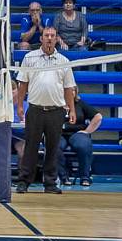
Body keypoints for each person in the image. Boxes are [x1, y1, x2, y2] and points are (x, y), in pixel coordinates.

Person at [14, 26, 77, 194]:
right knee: (30, 148)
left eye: (52, 36)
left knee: (53, 147)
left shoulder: (63, 61)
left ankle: (50, 183)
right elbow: (22, 85)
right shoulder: (29, 58)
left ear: (56, 39)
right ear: (41, 38)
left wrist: (71, 110)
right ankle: (24, 181)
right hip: (35, 109)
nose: (49, 38)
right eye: (46, 35)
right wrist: (20, 106)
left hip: (56, 111)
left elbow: (68, 88)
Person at [59, 91, 100, 187]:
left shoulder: (80, 104)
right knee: (53, 146)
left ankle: (85, 177)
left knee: (84, 145)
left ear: (75, 92)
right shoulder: (55, 104)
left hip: (77, 133)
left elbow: (98, 117)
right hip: (58, 133)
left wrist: (87, 131)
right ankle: (63, 177)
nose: (70, 92)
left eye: (72, 90)